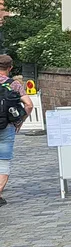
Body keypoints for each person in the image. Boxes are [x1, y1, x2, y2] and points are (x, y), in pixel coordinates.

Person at [0, 55, 33, 207]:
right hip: (7, 127)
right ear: (10, 68)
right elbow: (29, 105)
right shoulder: (14, 84)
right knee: (4, 161)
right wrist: (20, 121)